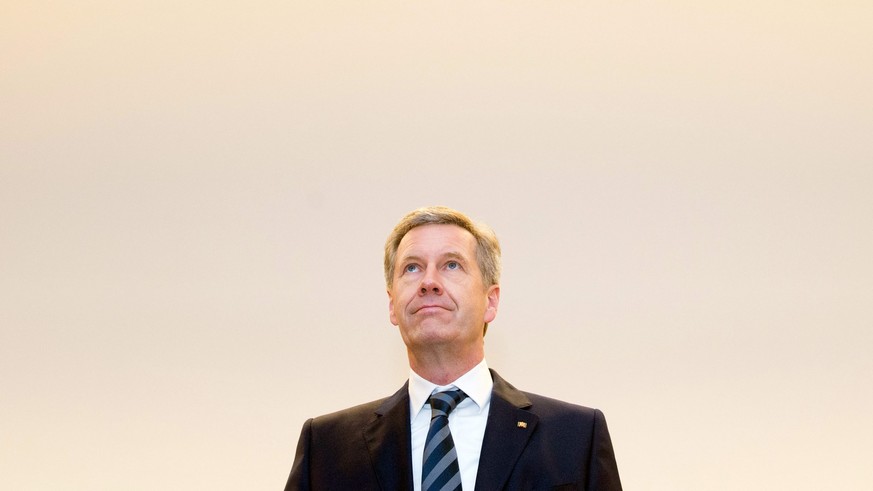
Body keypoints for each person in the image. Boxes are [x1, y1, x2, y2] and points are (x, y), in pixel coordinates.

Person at [285, 206, 622, 491]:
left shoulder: (575, 438)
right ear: (392, 305)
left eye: (451, 265)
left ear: (491, 301)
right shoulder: (327, 447)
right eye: (412, 267)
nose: (429, 282)